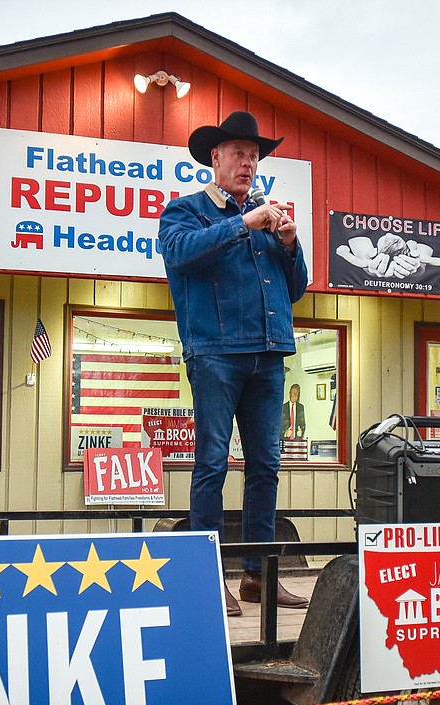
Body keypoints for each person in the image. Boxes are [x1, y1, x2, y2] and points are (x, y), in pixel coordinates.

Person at [159, 111, 310, 617]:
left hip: (268, 356)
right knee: (212, 463)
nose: (248, 163)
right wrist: (243, 222)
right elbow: (181, 255)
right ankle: (209, 579)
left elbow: (295, 288)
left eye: (254, 155)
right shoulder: (183, 212)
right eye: (239, 154)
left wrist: (289, 245)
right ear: (215, 159)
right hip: (216, 355)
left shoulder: (269, 219)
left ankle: (257, 578)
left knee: (266, 466)